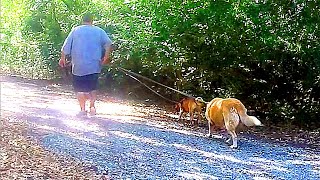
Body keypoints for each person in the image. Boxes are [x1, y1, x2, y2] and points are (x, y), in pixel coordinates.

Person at [59, 13, 112, 117]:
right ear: (92, 20)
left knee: (79, 89)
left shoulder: (76, 30)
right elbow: (108, 43)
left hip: (78, 66)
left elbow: (65, 46)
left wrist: (62, 58)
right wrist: (106, 57)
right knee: (92, 87)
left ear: (82, 20)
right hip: (94, 65)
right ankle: (92, 106)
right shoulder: (99, 31)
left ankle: (83, 110)